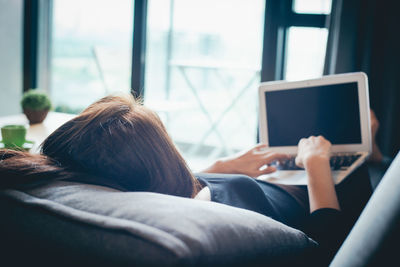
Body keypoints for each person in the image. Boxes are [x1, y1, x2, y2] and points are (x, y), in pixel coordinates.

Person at [0, 94, 383, 264]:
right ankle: (373, 150)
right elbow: (329, 245)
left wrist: (219, 167)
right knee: (361, 141)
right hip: (322, 196)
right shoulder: (221, 220)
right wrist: (316, 167)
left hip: (258, 182)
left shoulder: (161, 191)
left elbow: (167, 188)